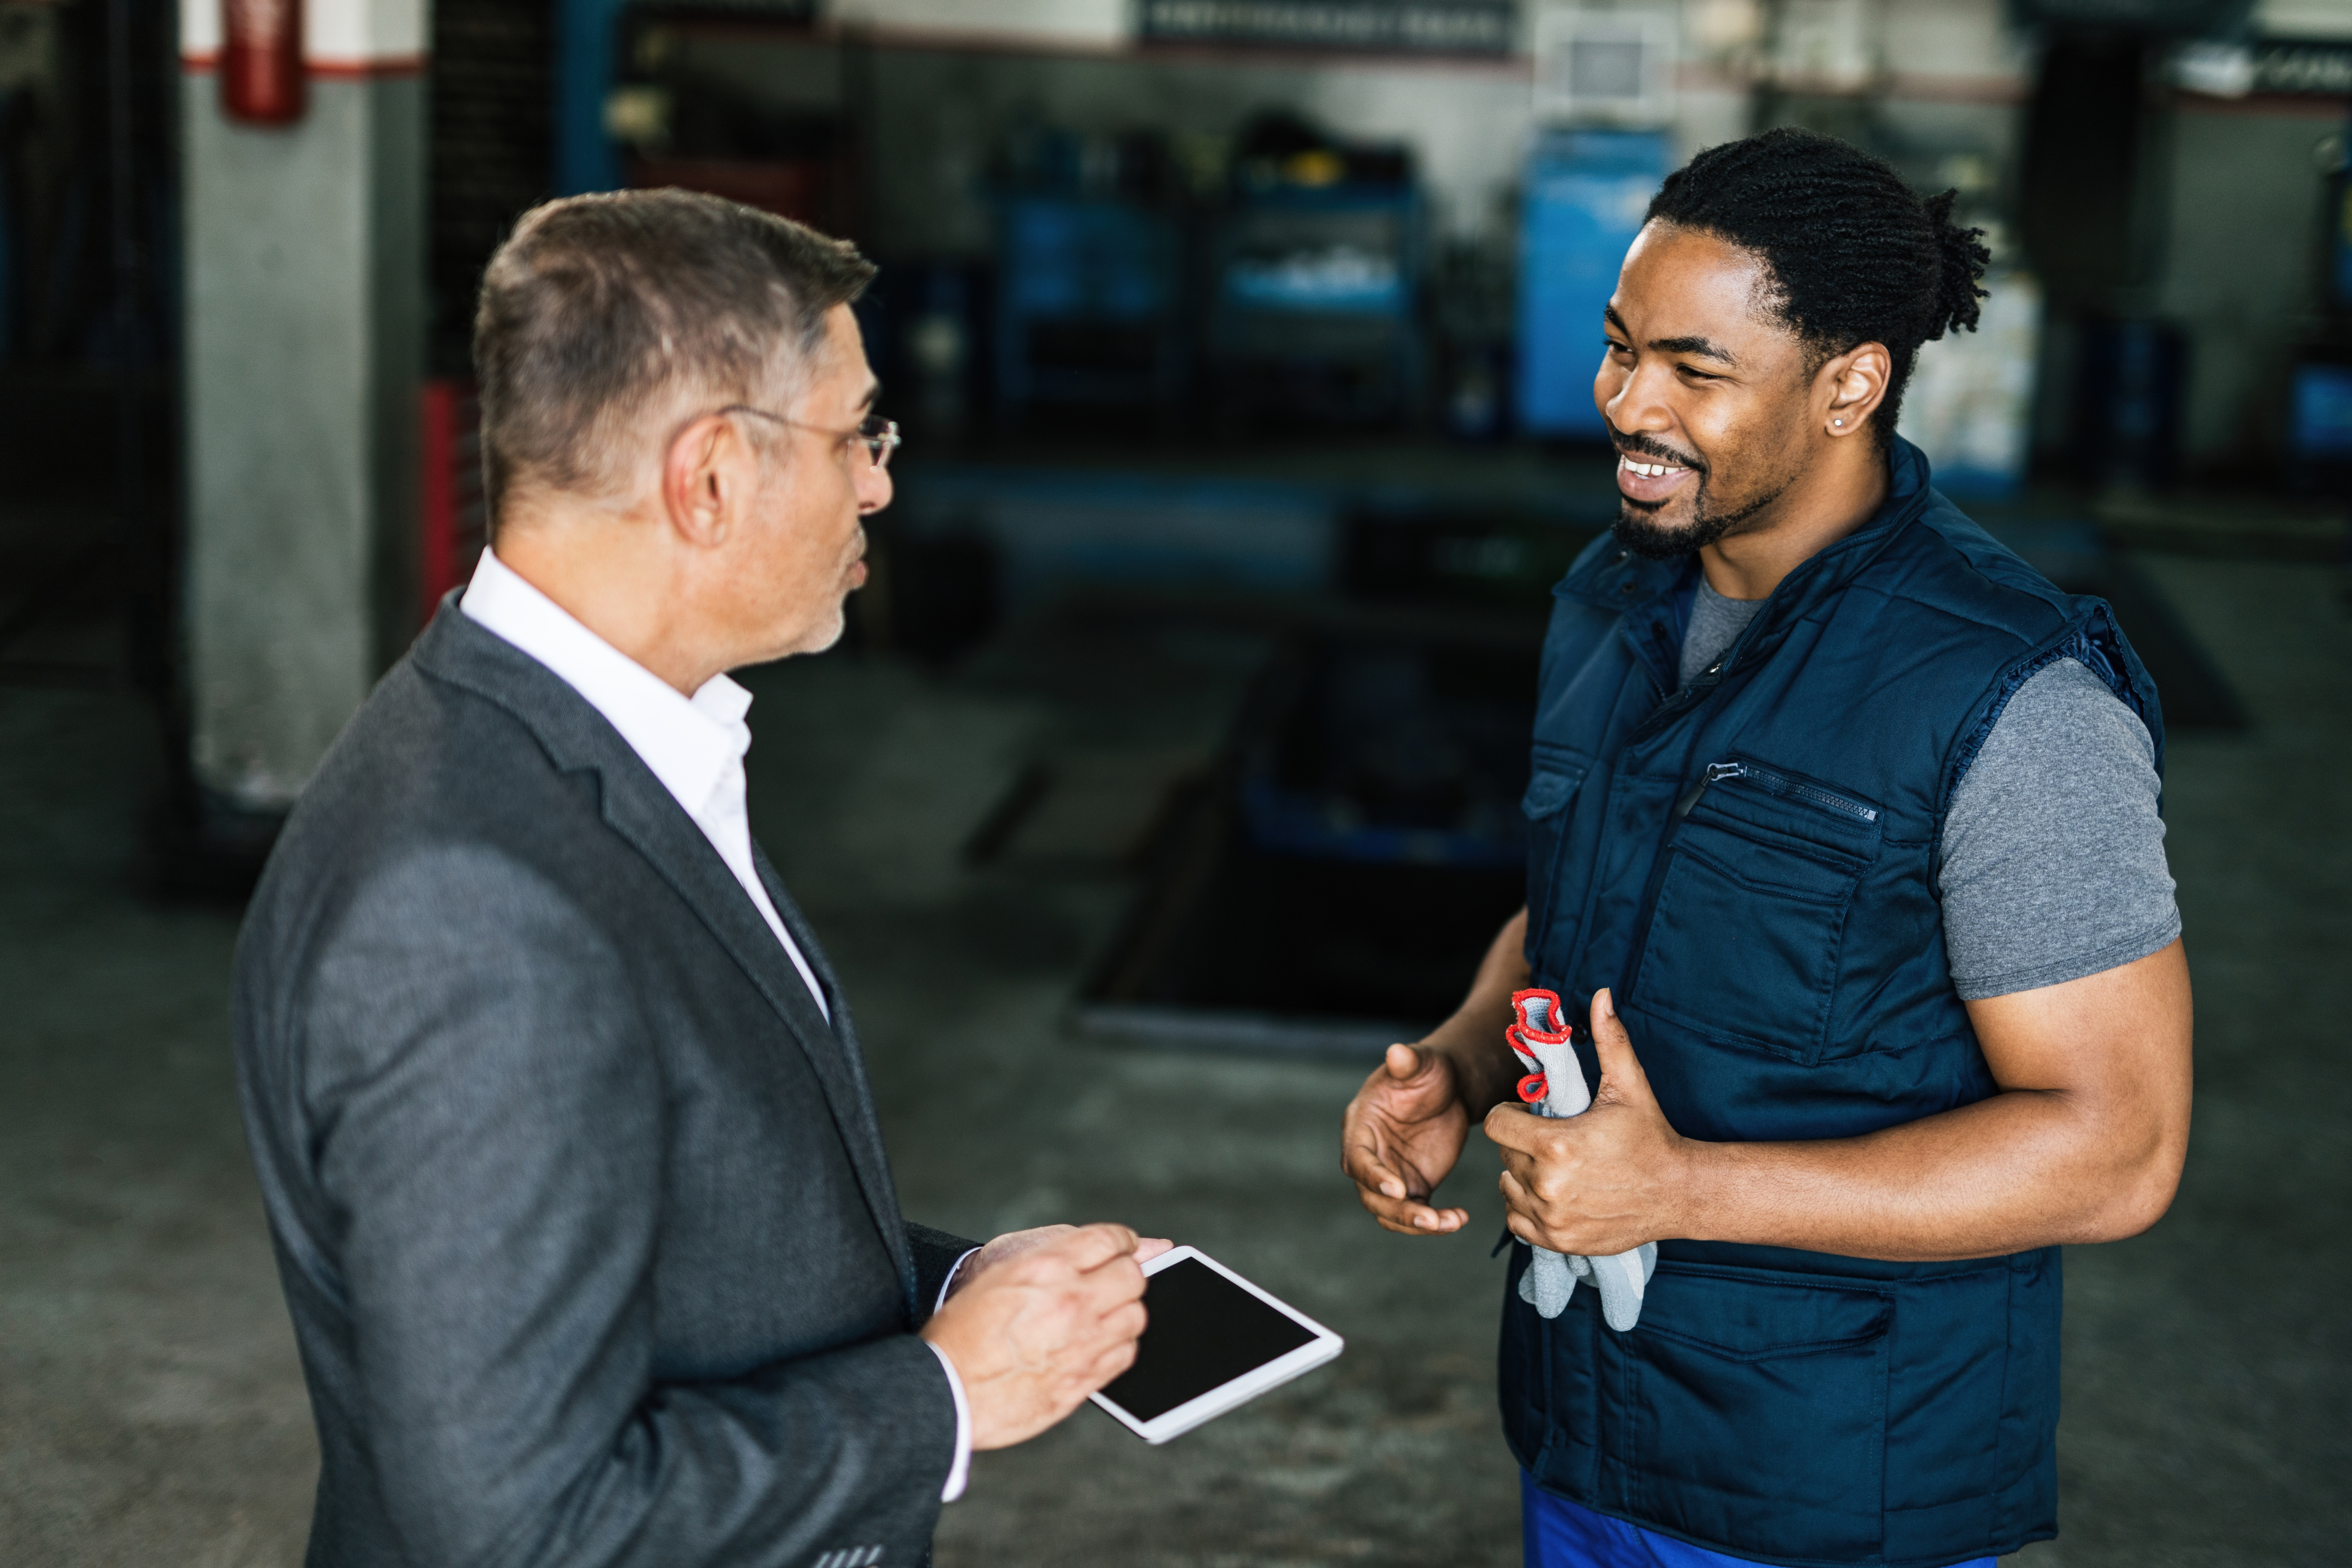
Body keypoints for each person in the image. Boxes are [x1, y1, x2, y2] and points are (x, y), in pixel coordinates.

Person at [232, 190, 1163, 1568]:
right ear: (712, 476)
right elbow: (515, 1529)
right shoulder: (470, 909)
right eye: (858, 436)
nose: (880, 484)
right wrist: (950, 1391)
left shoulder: (568, 743)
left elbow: (662, 1194)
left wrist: (962, 1285)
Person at [1341, 128, 2193, 1568]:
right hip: (1585, 1423)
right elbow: (1580, 910)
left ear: (1851, 382)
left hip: (1829, 1485)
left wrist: (1683, 1192)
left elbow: (2119, 1150)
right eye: (1620, 348)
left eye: (1694, 368)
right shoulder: (1615, 600)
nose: (1627, 402)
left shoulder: (2007, 697)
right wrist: (1465, 1058)